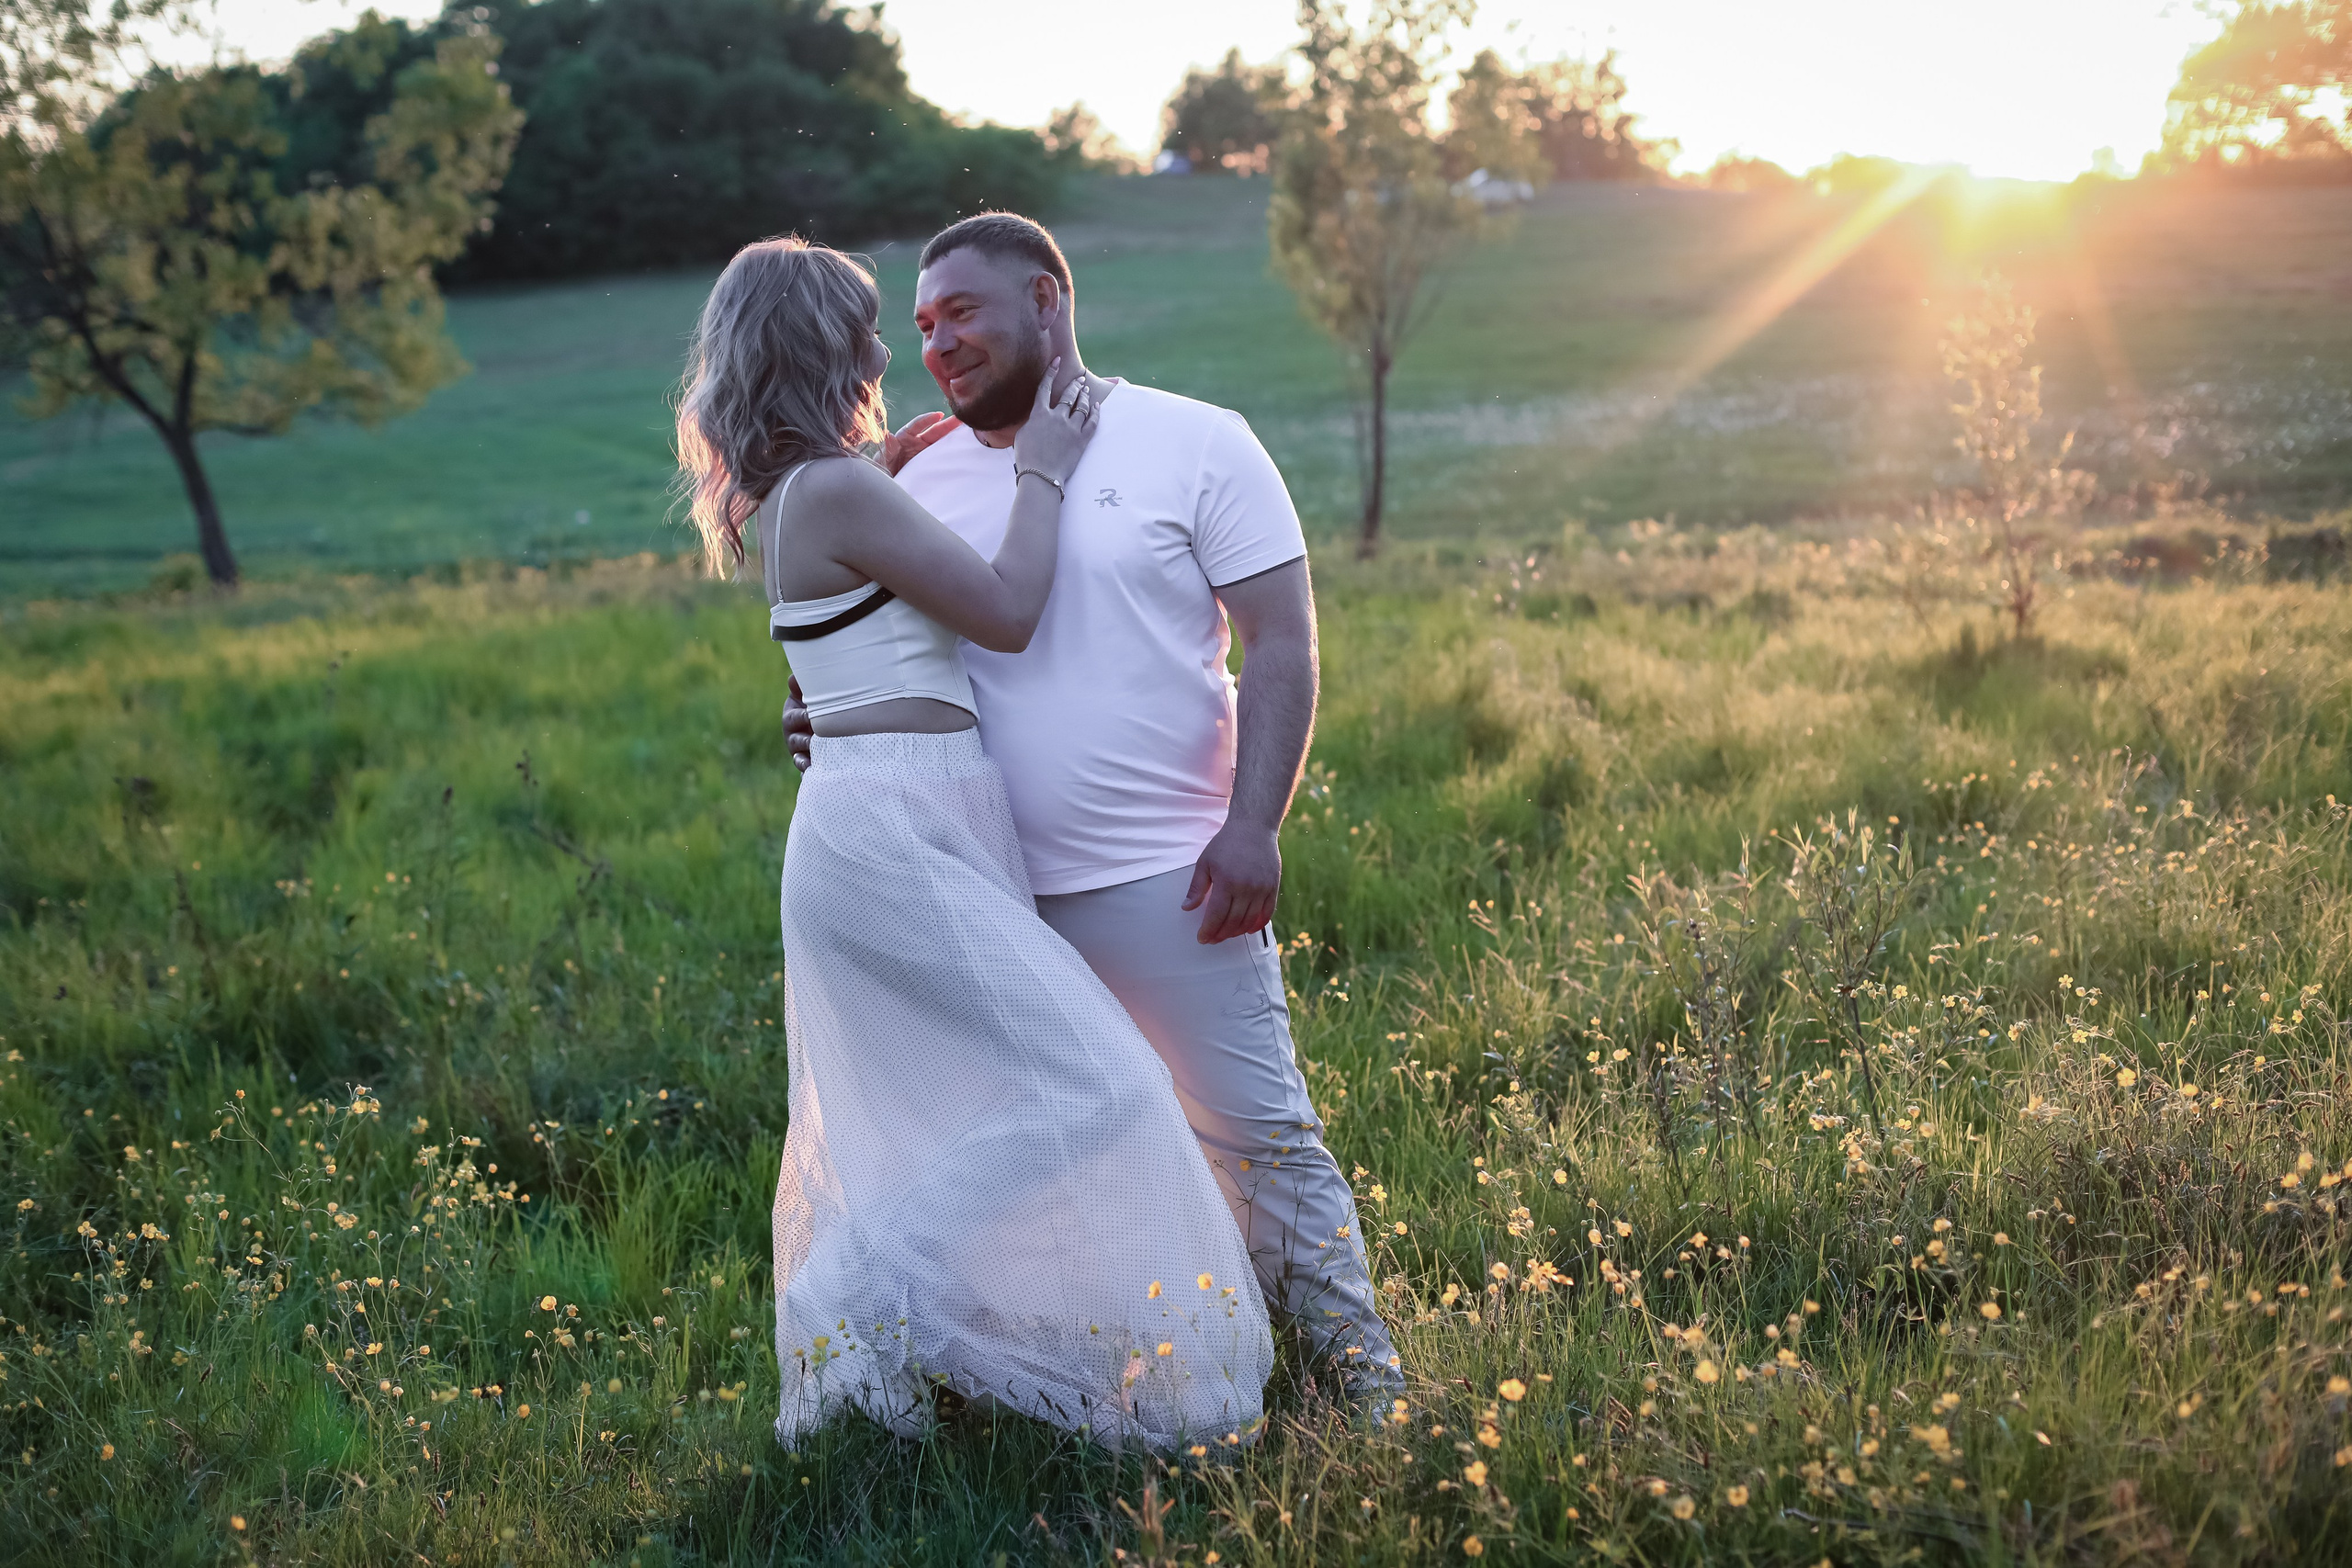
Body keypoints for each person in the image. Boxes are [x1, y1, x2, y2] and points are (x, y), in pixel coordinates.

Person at [784, 213, 1404, 1401]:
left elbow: (1281, 641)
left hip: (1169, 878)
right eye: (920, 325)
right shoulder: (912, 473)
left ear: (1047, 300)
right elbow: (854, 643)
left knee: (1258, 1140)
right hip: (977, 887)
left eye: (962, 313)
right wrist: (818, 713)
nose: (938, 345)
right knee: (1005, 1153)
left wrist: (1255, 822)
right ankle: (1042, 1379)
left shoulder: (1197, 442)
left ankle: (1361, 1385)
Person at [678, 235, 1273, 1453]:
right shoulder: (839, 492)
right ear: (816, 345)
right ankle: (861, 1286)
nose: (891, 351)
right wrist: (1044, 470)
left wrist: (896, 458)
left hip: (892, 810)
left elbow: (860, 627)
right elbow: (1003, 613)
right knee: (1098, 1085)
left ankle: (913, 1304)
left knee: (1007, 1093)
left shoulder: (813, 486)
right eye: (867, 329)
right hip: (896, 824)